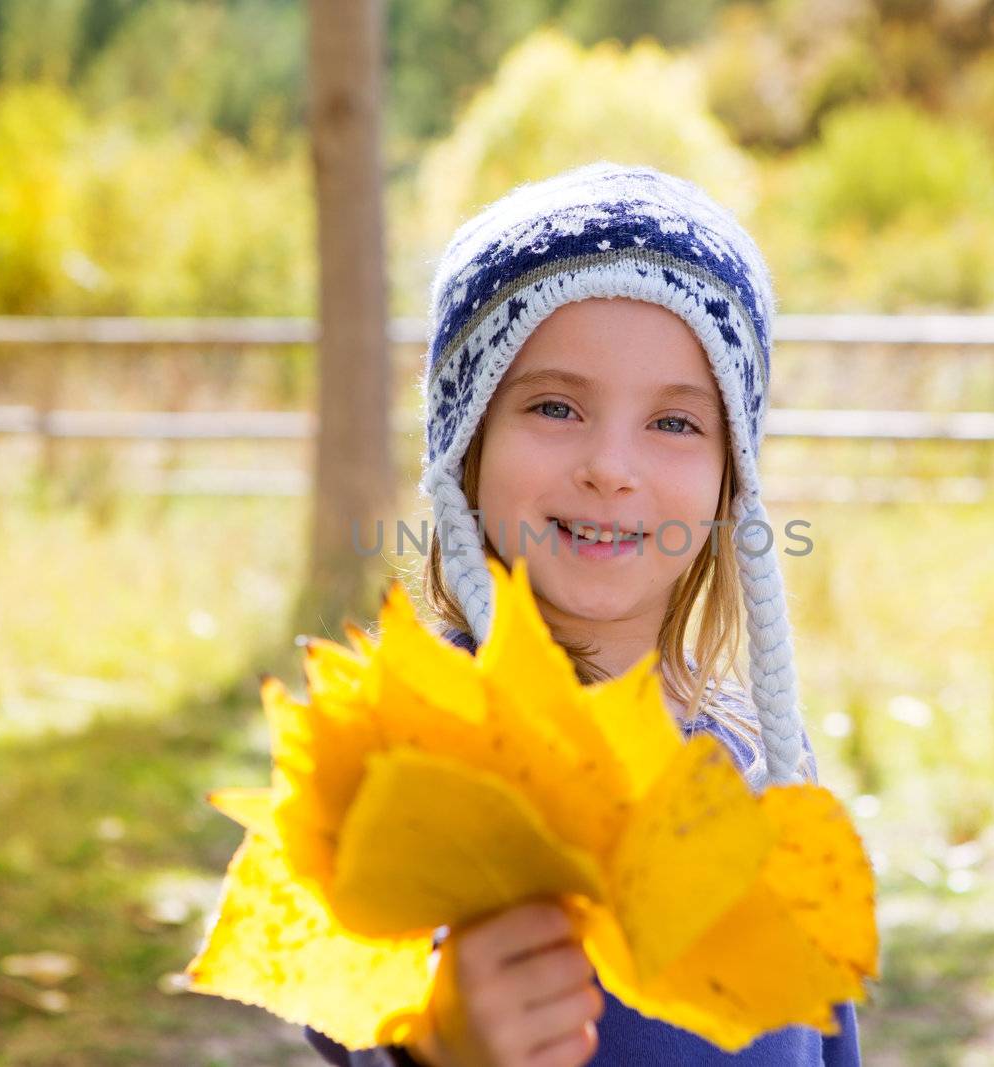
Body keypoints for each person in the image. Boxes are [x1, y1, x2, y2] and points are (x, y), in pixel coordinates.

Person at [303, 161, 865, 1066]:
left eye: (675, 423)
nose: (611, 465)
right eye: (556, 406)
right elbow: (349, 1006)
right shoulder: (412, 742)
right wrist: (445, 1038)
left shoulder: (766, 765)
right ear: (467, 446)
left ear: (733, 475)